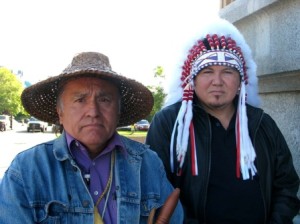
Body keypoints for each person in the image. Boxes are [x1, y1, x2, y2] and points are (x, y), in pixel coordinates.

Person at [146, 18, 300, 223]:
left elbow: (286, 185)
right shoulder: (169, 123)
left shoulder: (261, 123)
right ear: (192, 79)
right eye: (207, 71)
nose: (217, 81)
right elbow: (156, 189)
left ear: (240, 82)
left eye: (227, 72)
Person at [0, 52, 183, 223]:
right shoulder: (26, 170)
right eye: (80, 100)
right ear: (60, 112)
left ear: (118, 111)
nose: (93, 112)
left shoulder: (148, 164)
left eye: (104, 100)